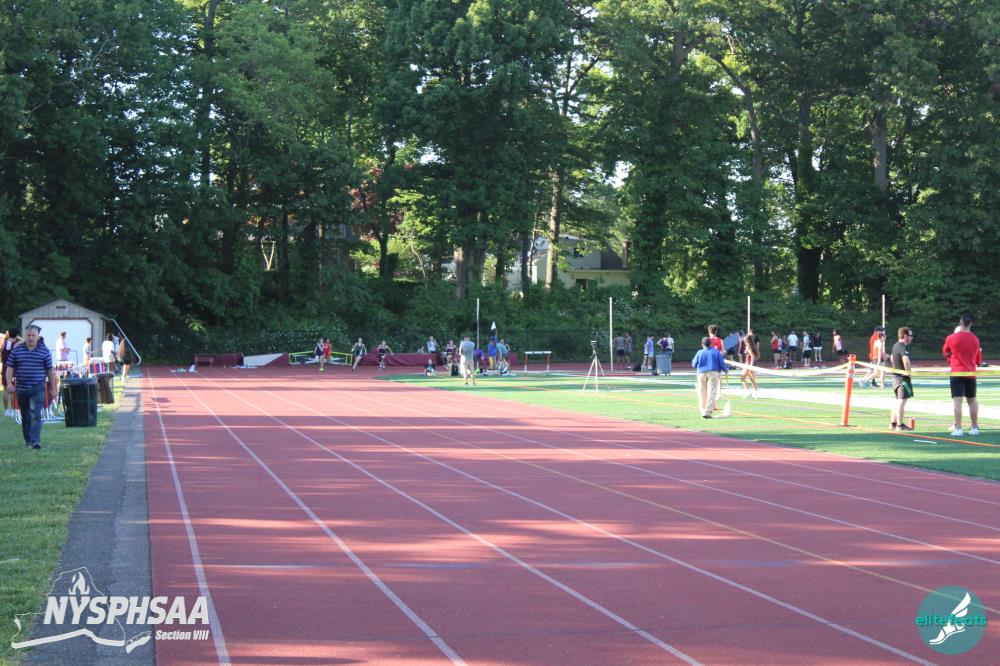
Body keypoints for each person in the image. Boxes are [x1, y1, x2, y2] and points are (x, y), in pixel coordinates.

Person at [5, 325, 57, 449]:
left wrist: (53, 388)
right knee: (26, 416)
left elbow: (50, 370)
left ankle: (35, 441)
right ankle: (28, 440)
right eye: (28, 335)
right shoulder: (17, 350)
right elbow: (10, 367)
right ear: (25, 336)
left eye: (33, 335)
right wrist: (9, 383)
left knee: (35, 414)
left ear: (38, 337)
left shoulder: (44, 351)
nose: (30, 338)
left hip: (37, 387)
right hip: (21, 388)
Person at [942, 314, 982, 436]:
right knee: (972, 400)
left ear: (960, 323)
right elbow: (978, 360)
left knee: (958, 401)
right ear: (971, 324)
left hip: (957, 372)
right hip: (971, 373)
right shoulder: (975, 339)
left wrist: (951, 361)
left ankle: (958, 428)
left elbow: (945, 353)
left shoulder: (951, 338)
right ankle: (974, 427)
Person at [692, 336, 727, 418]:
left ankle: (702, 410)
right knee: (712, 392)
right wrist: (725, 369)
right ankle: (707, 411)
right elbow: (721, 363)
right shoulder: (716, 352)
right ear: (711, 344)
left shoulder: (699, 352)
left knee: (702, 392)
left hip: (701, 373)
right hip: (713, 372)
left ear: (702, 344)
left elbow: (694, 364)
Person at [889, 327, 914, 431]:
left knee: (897, 401)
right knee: (901, 402)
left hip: (895, 377)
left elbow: (891, 357)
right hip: (902, 378)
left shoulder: (895, 345)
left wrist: (896, 366)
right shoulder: (903, 346)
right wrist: (908, 373)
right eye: (910, 335)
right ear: (905, 335)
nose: (912, 338)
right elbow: (906, 360)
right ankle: (899, 425)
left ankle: (893, 423)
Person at [2, 328, 23, 417]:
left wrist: (6, 336)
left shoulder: (4, 343)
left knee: (6, 390)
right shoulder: (16, 344)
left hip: (4, 368)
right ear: (16, 335)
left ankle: (6, 410)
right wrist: (18, 337)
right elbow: (24, 340)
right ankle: (14, 410)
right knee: (13, 391)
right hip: (13, 369)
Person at [741, 331, 760, 399]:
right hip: (748, 363)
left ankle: (749, 393)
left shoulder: (748, 347)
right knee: (751, 379)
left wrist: (750, 366)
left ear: (746, 341)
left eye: (744, 340)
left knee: (743, 378)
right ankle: (754, 393)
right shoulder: (752, 345)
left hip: (749, 364)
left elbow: (752, 356)